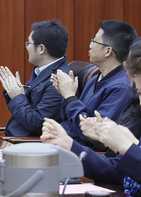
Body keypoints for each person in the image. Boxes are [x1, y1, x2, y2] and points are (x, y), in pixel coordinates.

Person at [42, 38, 141, 194]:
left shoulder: (120, 87)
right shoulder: (95, 81)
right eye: (139, 93)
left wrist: (126, 145)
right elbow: (116, 171)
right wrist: (69, 145)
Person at [50, 19, 136, 147]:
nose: (90, 46)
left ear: (108, 51)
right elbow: (68, 120)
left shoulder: (122, 87)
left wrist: (70, 96)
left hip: (84, 152)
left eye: (94, 41)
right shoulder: (94, 80)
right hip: (66, 143)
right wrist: (65, 95)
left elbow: (91, 134)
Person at [0, 19, 71, 136]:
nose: (27, 47)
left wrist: (17, 96)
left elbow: (38, 123)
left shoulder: (58, 80)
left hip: (27, 144)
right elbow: (25, 110)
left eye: (29, 43)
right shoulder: (41, 71)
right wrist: (13, 92)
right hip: (14, 139)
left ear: (41, 48)